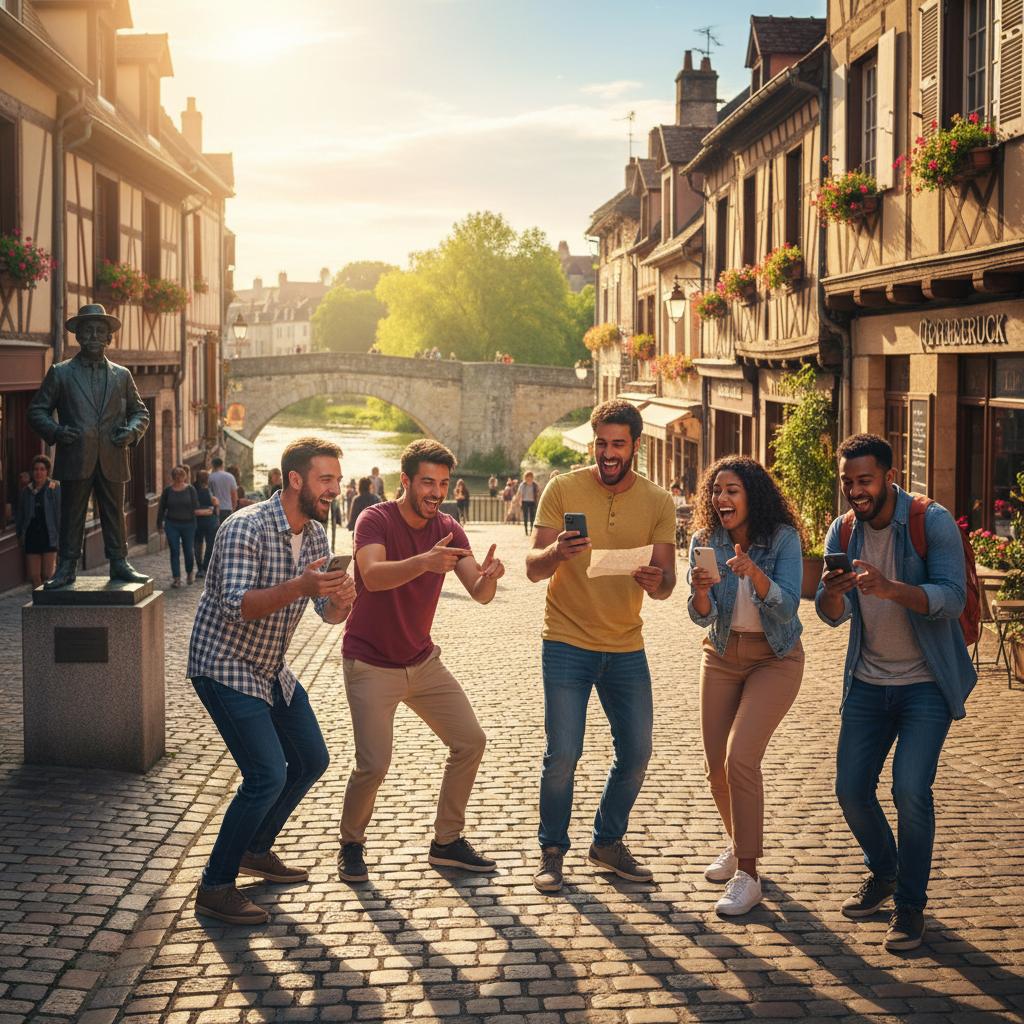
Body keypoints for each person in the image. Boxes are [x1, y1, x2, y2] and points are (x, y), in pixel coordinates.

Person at [817, 433, 976, 953]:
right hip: (867, 681)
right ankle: (884, 871)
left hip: (925, 683)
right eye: (848, 482)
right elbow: (830, 614)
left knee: (910, 789)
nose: (855, 491)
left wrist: (890, 588)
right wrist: (833, 595)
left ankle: (910, 905)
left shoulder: (931, 521)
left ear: (889, 476)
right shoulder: (843, 529)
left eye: (864, 480)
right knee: (850, 790)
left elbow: (951, 598)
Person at [188, 437, 356, 925]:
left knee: (311, 759)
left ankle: (255, 849)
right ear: (295, 480)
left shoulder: (317, 535)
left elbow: (326, 613)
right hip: (223, 664)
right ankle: (215, 886)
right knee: (266, 775)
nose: (334, 489)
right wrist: (301, 585)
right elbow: (236, 607)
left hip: (269, 667)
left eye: (337, 480)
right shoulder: (245, 527)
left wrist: (342, 600)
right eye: (326, 479)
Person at [525, 399, 676, 892]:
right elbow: (532, 568)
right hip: (566, 640)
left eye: (618, 445)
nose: (608, 454)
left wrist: (655, 580)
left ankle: (607, 843)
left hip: (626, 645)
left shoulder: (658, 501)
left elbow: (667, 584)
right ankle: (552, 851)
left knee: (637, 751)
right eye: (601, 444)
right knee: (562, 754)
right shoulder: (562, 488)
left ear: (636, 445)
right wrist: (556, 551)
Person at [338, 439, 504, 883]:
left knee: (470, 741)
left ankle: (446, 842)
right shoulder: (375, 519)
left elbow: (479, 593)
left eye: (444, 484)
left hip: (422, 661)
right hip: (370, 662)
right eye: (428, 482)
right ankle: (351, 843)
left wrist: (489, 577)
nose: (437, 492)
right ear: (406, 481)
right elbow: (373, 576)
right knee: (374, 764)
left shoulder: (449, 527)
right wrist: (425, 562)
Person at [687, 456, 805, 916]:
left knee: (740, 758)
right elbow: (702, 616)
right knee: (716, 768)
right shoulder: (705, 540)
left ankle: (749, 875)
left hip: (775, 657)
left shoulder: (783, 539)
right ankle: (739, 845)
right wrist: (700, 591)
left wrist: (754, 572)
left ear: (752, 496)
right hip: (720, 654)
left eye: (732, 490)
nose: (721, 498)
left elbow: (788, 608)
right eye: (717, 491)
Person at [26, 303, 151, 588]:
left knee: (114, 513)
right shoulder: (61, 373)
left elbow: (140, 412)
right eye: (88, 330)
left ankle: (119, 562)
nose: (94, 336)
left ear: (108, 338)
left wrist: (131, 432)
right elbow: (36, 411)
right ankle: (66, 566)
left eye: (100, 331)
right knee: (72, 514)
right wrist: (57, 431)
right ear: (78, 336)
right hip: (75, 456)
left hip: (113, 455)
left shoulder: (122, 375)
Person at [16, 455, 60, 588]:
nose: (38, 472)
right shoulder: (26, 491)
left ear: (47, 471)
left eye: (42, 469)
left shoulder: (54, 488)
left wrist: (62, 535)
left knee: (48, 575)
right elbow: (21, 515)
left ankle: (48, 600)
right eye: (36, 469)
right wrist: (20, 534)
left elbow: (60, 513)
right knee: (34, 576)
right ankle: (37, 600)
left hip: (49, 536)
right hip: (32, 536)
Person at [157, 465, 199, 587]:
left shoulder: (190, 489)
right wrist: (159, 524)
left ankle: (189, 573)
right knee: (174, 550)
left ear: (184, 477)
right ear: (173, 477)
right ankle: (176, 578)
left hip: (188, 524)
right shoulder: (168, 491)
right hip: (172, 524)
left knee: (188, 550)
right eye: (176, 476)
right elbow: (161, 508)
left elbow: (195, 506)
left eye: (181, 476)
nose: (179, 478)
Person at [193, 469, 219, 578]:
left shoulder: (194, 489)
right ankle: (204, 567)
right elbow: (216, 504)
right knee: (209, 545)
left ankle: (201, 568)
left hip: (201, 520)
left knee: (199, 545)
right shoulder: (207, 489)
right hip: (208, 520)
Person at [208, 457, 238, 525]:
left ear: (212, 465)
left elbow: (209, 494)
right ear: (222, 465)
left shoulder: (210, 477)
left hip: (215, 509)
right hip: (228, 508)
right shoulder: (230, 476)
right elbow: (234, 494)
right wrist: (233, 508)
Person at [518, 472, 540, 536]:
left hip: (532, 502)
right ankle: (526, 531)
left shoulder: (535, 485)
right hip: (524, 502)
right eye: (527, 476)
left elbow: (538, 493)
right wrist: (520, 502)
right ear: (525, 477)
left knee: (532, 517)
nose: (529, 478)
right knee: (525, 517)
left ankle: (531, 530)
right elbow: (520, 494)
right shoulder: (522, 485)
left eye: (530, 476)